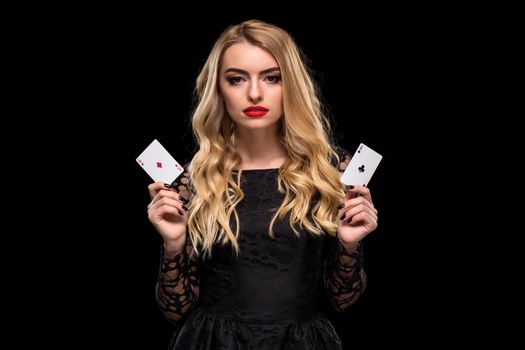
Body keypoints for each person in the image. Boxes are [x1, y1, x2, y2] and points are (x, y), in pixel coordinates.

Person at [146, 19, 378, 350]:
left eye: (272, 78)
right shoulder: (195, 177)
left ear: (291, 85)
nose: (254, 93)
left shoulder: (333, 171)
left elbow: (343, 301)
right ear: (219, 89)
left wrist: (350, 246)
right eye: (237, 79)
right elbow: (175, 310)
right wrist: (173, 244)